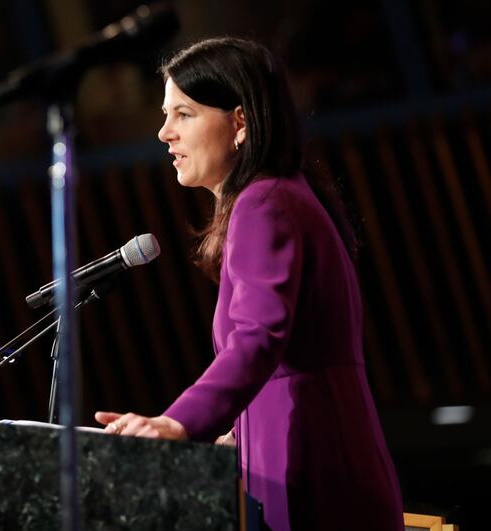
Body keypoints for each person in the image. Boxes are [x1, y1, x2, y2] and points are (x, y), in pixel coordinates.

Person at [93, 37, 404, 530]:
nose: (163, 132)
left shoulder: (265, 204)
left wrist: (178, 421)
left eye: (184, 114)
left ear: (240, 122)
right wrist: (235, 435)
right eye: (165, 114)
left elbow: (259, 338)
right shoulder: (277, 197)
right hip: (303, 456)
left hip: (312, 467)